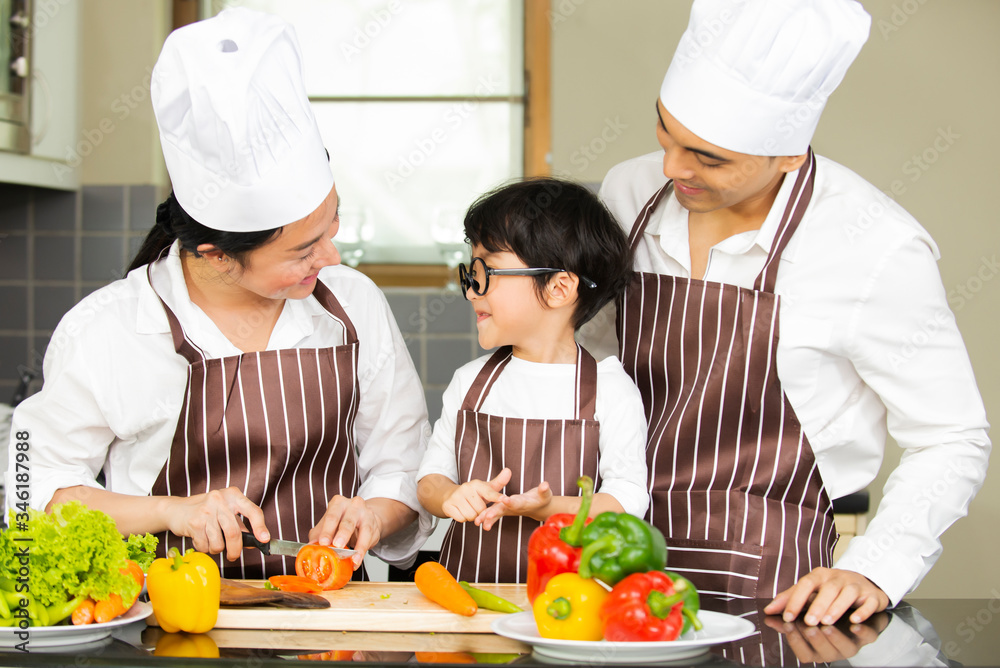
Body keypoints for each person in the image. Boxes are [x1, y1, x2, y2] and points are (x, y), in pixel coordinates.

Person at [581, 0, 990, 625]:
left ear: (788, 155)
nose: (671, 167)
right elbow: (587, 363)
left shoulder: (874, 247)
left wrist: (877, 565)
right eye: (665, 129)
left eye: (709, 158)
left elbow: (951, 436)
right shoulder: (629, 192)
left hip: (770, 588)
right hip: (606, 558)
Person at [5, 8, 433, 578]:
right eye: (303, 251)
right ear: (216, 254)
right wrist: (171, 511)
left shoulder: (352, 305)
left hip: (337, 627)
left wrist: (374, 516)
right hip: (169, 633)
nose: (331, 259)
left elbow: (401, 467)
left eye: (332, 227)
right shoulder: (109, 329)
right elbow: (35, 492)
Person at [416, 178, 649, 583]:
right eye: (470, 273)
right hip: (466, 597)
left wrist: (545, 508)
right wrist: (451, 495)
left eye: (487, 272)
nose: (471, 291)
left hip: (568, 606)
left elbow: (626, 503)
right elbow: (429, 479)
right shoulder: (469, 382)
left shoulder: (611, 391)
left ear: (558, 288)